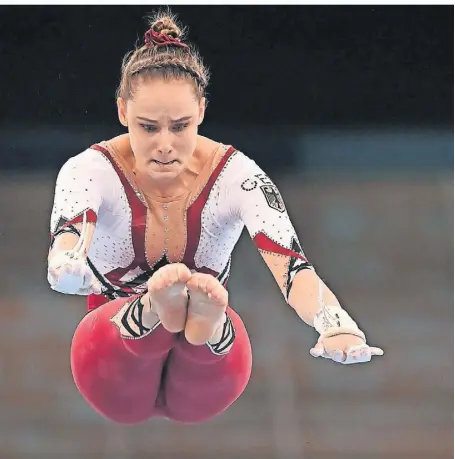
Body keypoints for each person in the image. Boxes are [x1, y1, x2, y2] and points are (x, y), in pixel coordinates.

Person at [47, 11, 383, 426]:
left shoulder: (238, 177)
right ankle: (154, 311)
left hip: (204, 368)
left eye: (181, 126)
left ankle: (204, 323)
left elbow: (293, 267)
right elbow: (70, 236)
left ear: (202, 111)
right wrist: (64, 261)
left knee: (198, 392)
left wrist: (334, 322)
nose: (165, 146)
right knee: (123, 399)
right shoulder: (89, 170)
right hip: (110, 348)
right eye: (148, 127)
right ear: (121, 111)